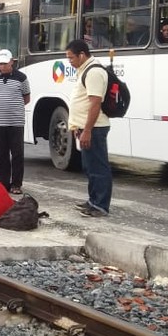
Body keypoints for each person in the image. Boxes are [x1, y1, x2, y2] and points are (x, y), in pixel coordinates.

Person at [65, 39, 111, 217]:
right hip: (86, 127)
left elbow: (95, 104)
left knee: (98, 167)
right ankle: (93, 201)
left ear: (82, 55)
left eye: (71, 58)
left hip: (95, 128)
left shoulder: (94, 72)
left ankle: (100, 205)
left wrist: (87, 130)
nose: (70, 61)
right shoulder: (84, 70)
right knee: (90, 166)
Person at [0, 49, 31, 195]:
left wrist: (13, 107)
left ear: (12, 62)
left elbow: (26, 98)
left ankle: (16, 183)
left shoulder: (21, 77)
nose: (3, 66)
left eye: (5, 63)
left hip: (16, 122)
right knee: (2, 154)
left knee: (17, 154)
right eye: (0, 64)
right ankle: (3, 183)